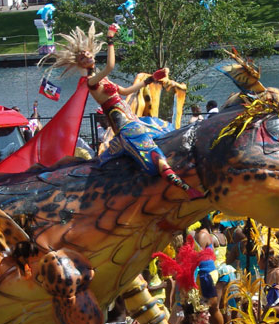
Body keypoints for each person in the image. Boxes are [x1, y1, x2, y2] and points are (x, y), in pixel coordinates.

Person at [39, 23, 202, 199]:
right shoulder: (92, 82)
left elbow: (125, 92)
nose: (86, 56)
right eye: (82, 58)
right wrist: (110, 39)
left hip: (135, 122)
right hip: (126, 129)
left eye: (87, 53)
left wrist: (151, 80)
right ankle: (187, 189)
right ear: (80, 64)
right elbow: (110, 65)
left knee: (166, 127)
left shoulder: (105, 80)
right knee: (156, 156)